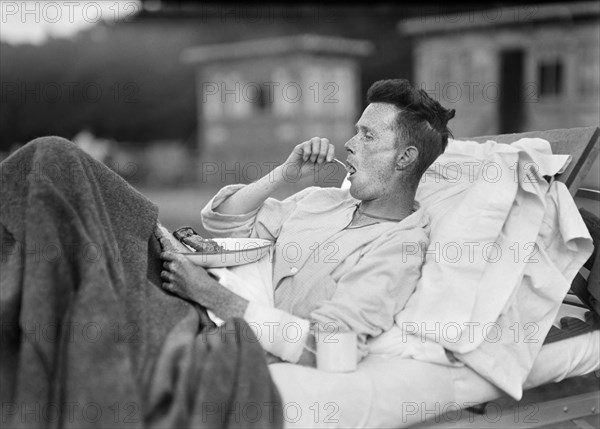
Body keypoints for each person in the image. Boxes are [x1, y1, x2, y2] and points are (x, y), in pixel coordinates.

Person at [159, 79, 456, 367]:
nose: (349, 144)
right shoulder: (321, 200)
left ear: (405, 157)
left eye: (367, 136)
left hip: (213, 333)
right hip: (182, 300)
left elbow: (329, 348)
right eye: (356, 133)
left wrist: (207, 293)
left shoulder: (399, 247)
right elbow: (223, 219)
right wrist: (286, 172)